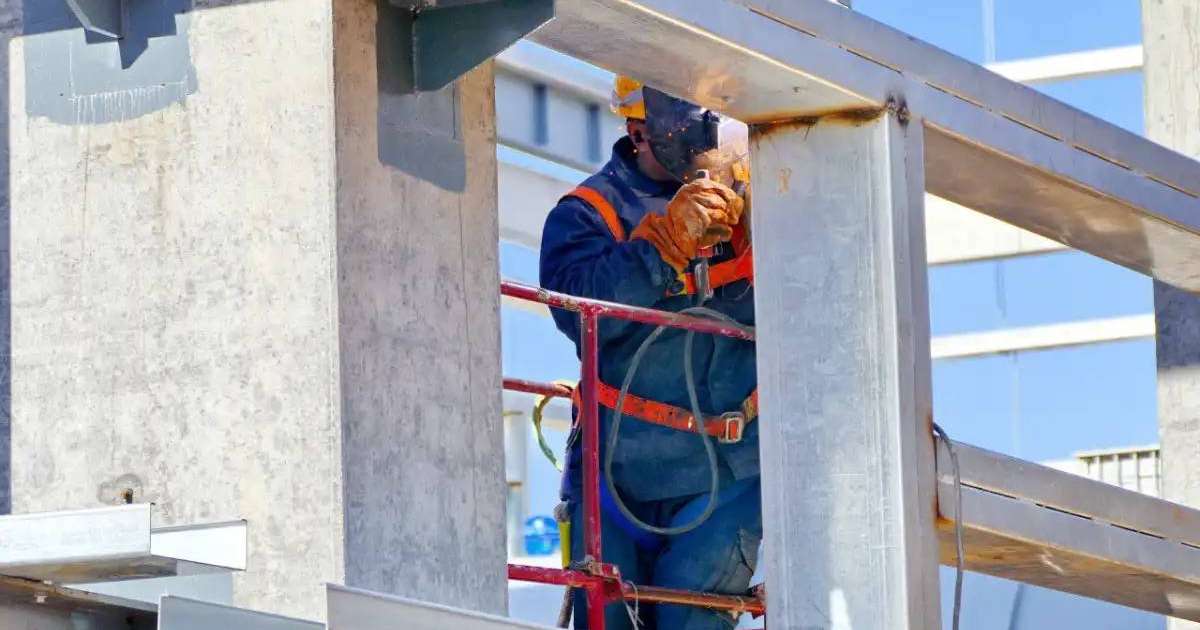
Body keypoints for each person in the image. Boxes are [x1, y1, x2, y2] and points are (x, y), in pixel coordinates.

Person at [539, 76, 760, 630]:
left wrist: (760, 212)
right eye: (689, 132)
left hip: (723, 478)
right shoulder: (590, 212)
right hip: (616, 476)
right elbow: (576, 311)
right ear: (640, 132)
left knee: (694, 620)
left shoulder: (754, 202)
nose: (704, 147)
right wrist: (661, 248)